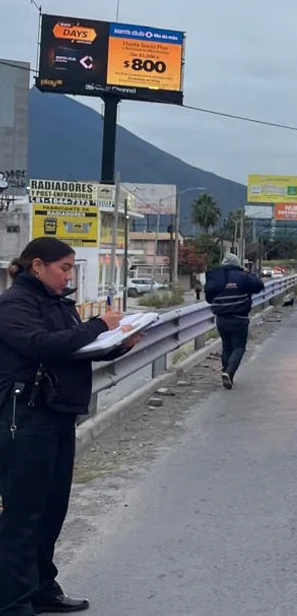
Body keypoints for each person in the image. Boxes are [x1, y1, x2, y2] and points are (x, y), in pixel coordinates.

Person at [0, 238, 141, 616]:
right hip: (26, 418)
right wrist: (98, 324)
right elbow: (40, 345)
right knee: (23, 513)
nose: (69, 275)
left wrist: (119, 344)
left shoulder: (58, 305)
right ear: (37, 266)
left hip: (59, 413)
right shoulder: (13, 305)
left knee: (51, 510)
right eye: (64, 268)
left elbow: (72, 349)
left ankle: (43, 588)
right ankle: (13, 602)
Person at [203, 253, 264, 389]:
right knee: (239, 347)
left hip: (221, 319)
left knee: (226, 346)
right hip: (239, 318)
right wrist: (249, 274)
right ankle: (229, 372)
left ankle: (226, 372)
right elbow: (259, 286)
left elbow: (208, 298)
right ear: (237, 264)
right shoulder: (243, 276)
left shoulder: (216, 277)